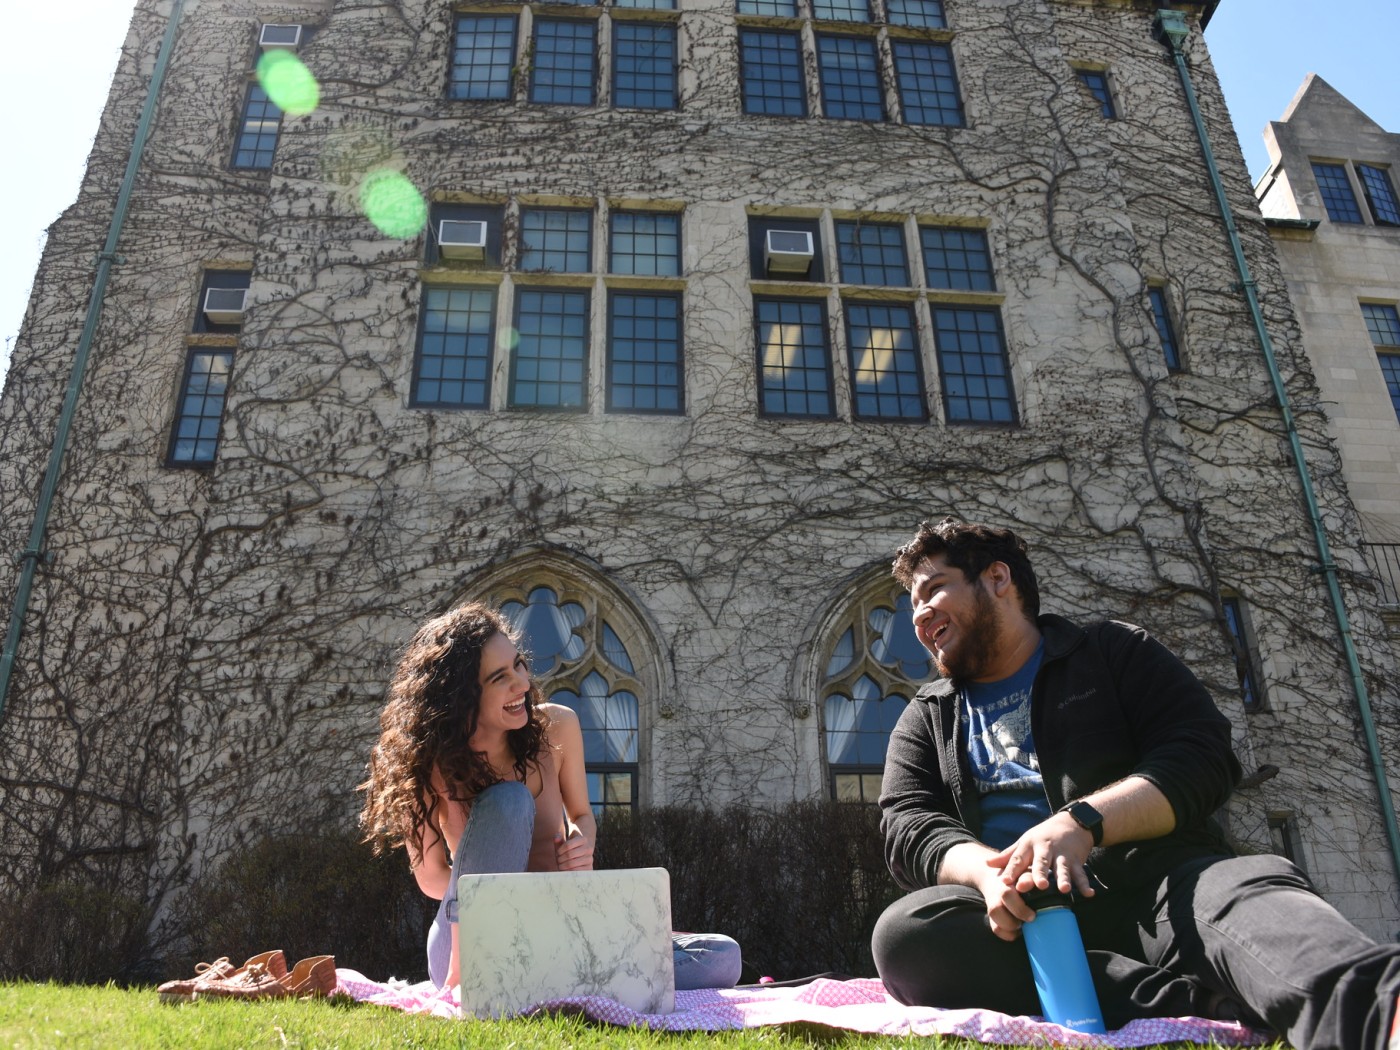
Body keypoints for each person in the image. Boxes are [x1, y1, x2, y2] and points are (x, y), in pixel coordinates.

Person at [871, 516, 1400, 1050]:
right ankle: (1194, 1003)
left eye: (933, 590)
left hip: (1162, 887)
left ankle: (1381, 1013)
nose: (918, 618)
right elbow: (906, 822)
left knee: (1245, 894)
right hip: (1019, 923)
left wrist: (1082, 823)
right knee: (906, 935)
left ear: (998, 579)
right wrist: (988, 877)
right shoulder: (927, 716)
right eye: (912, 605)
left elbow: (1202, 754)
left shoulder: (1111, 651)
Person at [359, 601, 742, 993]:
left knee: (722, 956)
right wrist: (509, 897)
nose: (522, 684)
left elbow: (581, 815)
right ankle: (570, 977)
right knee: (509, 799)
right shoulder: (428, 764)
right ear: (460, 696)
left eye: (519, 665)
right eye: (500, 677)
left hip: (563, 922)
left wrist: (582, 843)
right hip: (471, 939)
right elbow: (432, 877)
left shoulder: (557, 726)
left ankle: (555, 977)